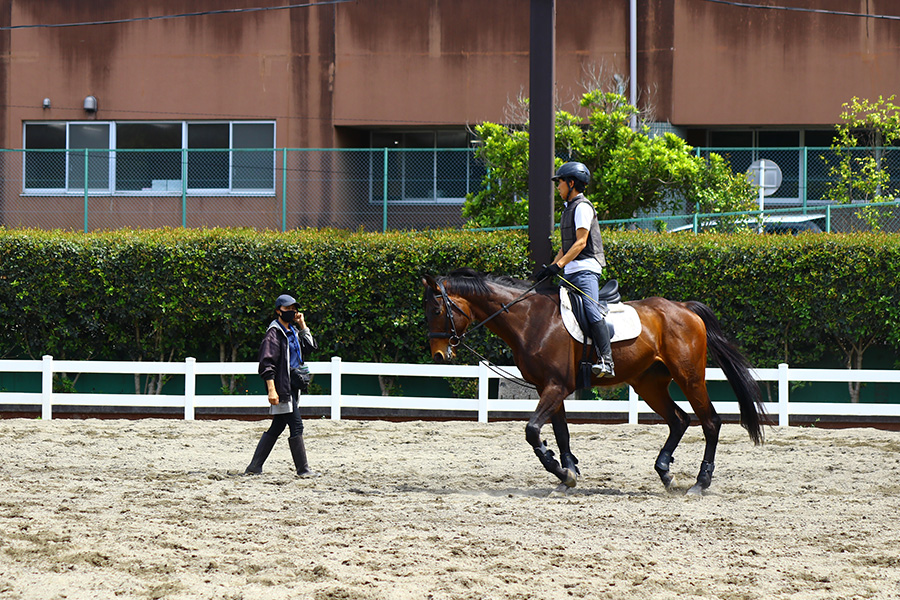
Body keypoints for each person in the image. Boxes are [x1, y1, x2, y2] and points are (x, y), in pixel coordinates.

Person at [535, 161, 615, 378]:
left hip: (586, 270)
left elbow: (580, 243)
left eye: (559, 182)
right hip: (570, 272)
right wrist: (552, 266)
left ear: (571, 183)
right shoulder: (568, 209)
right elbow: (566, 246)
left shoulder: (582, 207)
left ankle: (607, 361)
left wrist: (558, 266)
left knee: (591, 310)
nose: (557, 187)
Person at [245, 294, 319, 476]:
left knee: (278, 426)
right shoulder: (274, 333)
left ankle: (254, 467)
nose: (292, 312)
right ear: (278, 311)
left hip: (293, 385)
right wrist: (272, 390)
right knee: (297, 425)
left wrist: (303, 325)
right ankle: (303, 470)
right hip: (282, 387)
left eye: (294, 309)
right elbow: (266, 364)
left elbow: (310, 348)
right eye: (288, 309)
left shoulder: (293, 330)